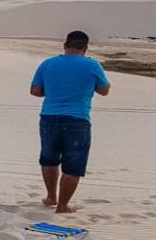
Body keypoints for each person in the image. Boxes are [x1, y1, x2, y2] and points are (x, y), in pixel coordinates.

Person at [30, 30, 110, 213]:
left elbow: (35, 90)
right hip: (77, 119)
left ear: (65, 46)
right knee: (73, 164)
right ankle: (63, 205)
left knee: (49, 159)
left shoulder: (48, 63)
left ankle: (51, 196)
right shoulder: (92, 65)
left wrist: (52, 92)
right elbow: (104, 90)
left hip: (49, 117)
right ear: (85, 48)